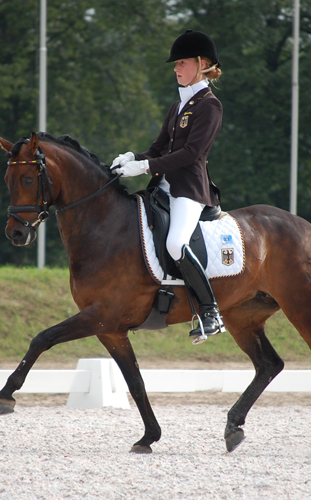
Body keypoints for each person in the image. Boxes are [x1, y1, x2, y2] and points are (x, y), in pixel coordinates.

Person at [111, 29, 225, 340]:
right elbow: (158, 148)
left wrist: (145, 166)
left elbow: (191, 154)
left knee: (176, 244)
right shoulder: (177, 107)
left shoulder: (209, 106)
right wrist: (132, 157)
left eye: (182, 63)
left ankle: (210, 312)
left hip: (189, 190)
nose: (176, 68)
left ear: (202, 64)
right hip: (162, 187)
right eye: (176, 64)